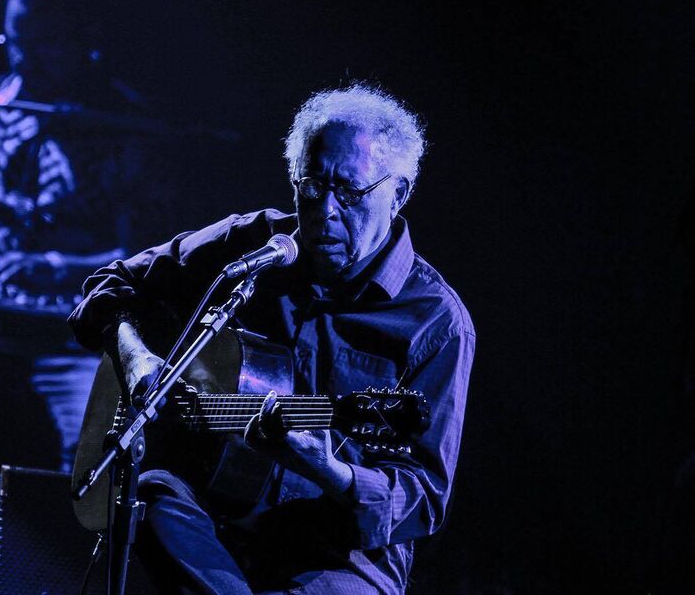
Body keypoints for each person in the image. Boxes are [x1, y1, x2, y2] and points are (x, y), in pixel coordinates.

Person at [68, 83, 476, 593]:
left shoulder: (435, 320)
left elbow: (424, 496)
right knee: (147, 495)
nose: (325, 211)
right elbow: (108, 286)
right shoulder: (255, 247)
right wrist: (137, 361)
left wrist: (332, 472)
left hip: (337, 559)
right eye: (311, 186)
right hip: (215, 525)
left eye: (349, 192)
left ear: (398, 193)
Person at [0, 0, 148, 472]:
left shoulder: (121, 125)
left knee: (91, 455)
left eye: (43, 44)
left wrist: (56, 267)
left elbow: (145, 255)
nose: (24, 61)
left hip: (66, 337)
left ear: (85, 40)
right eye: (15, 43)